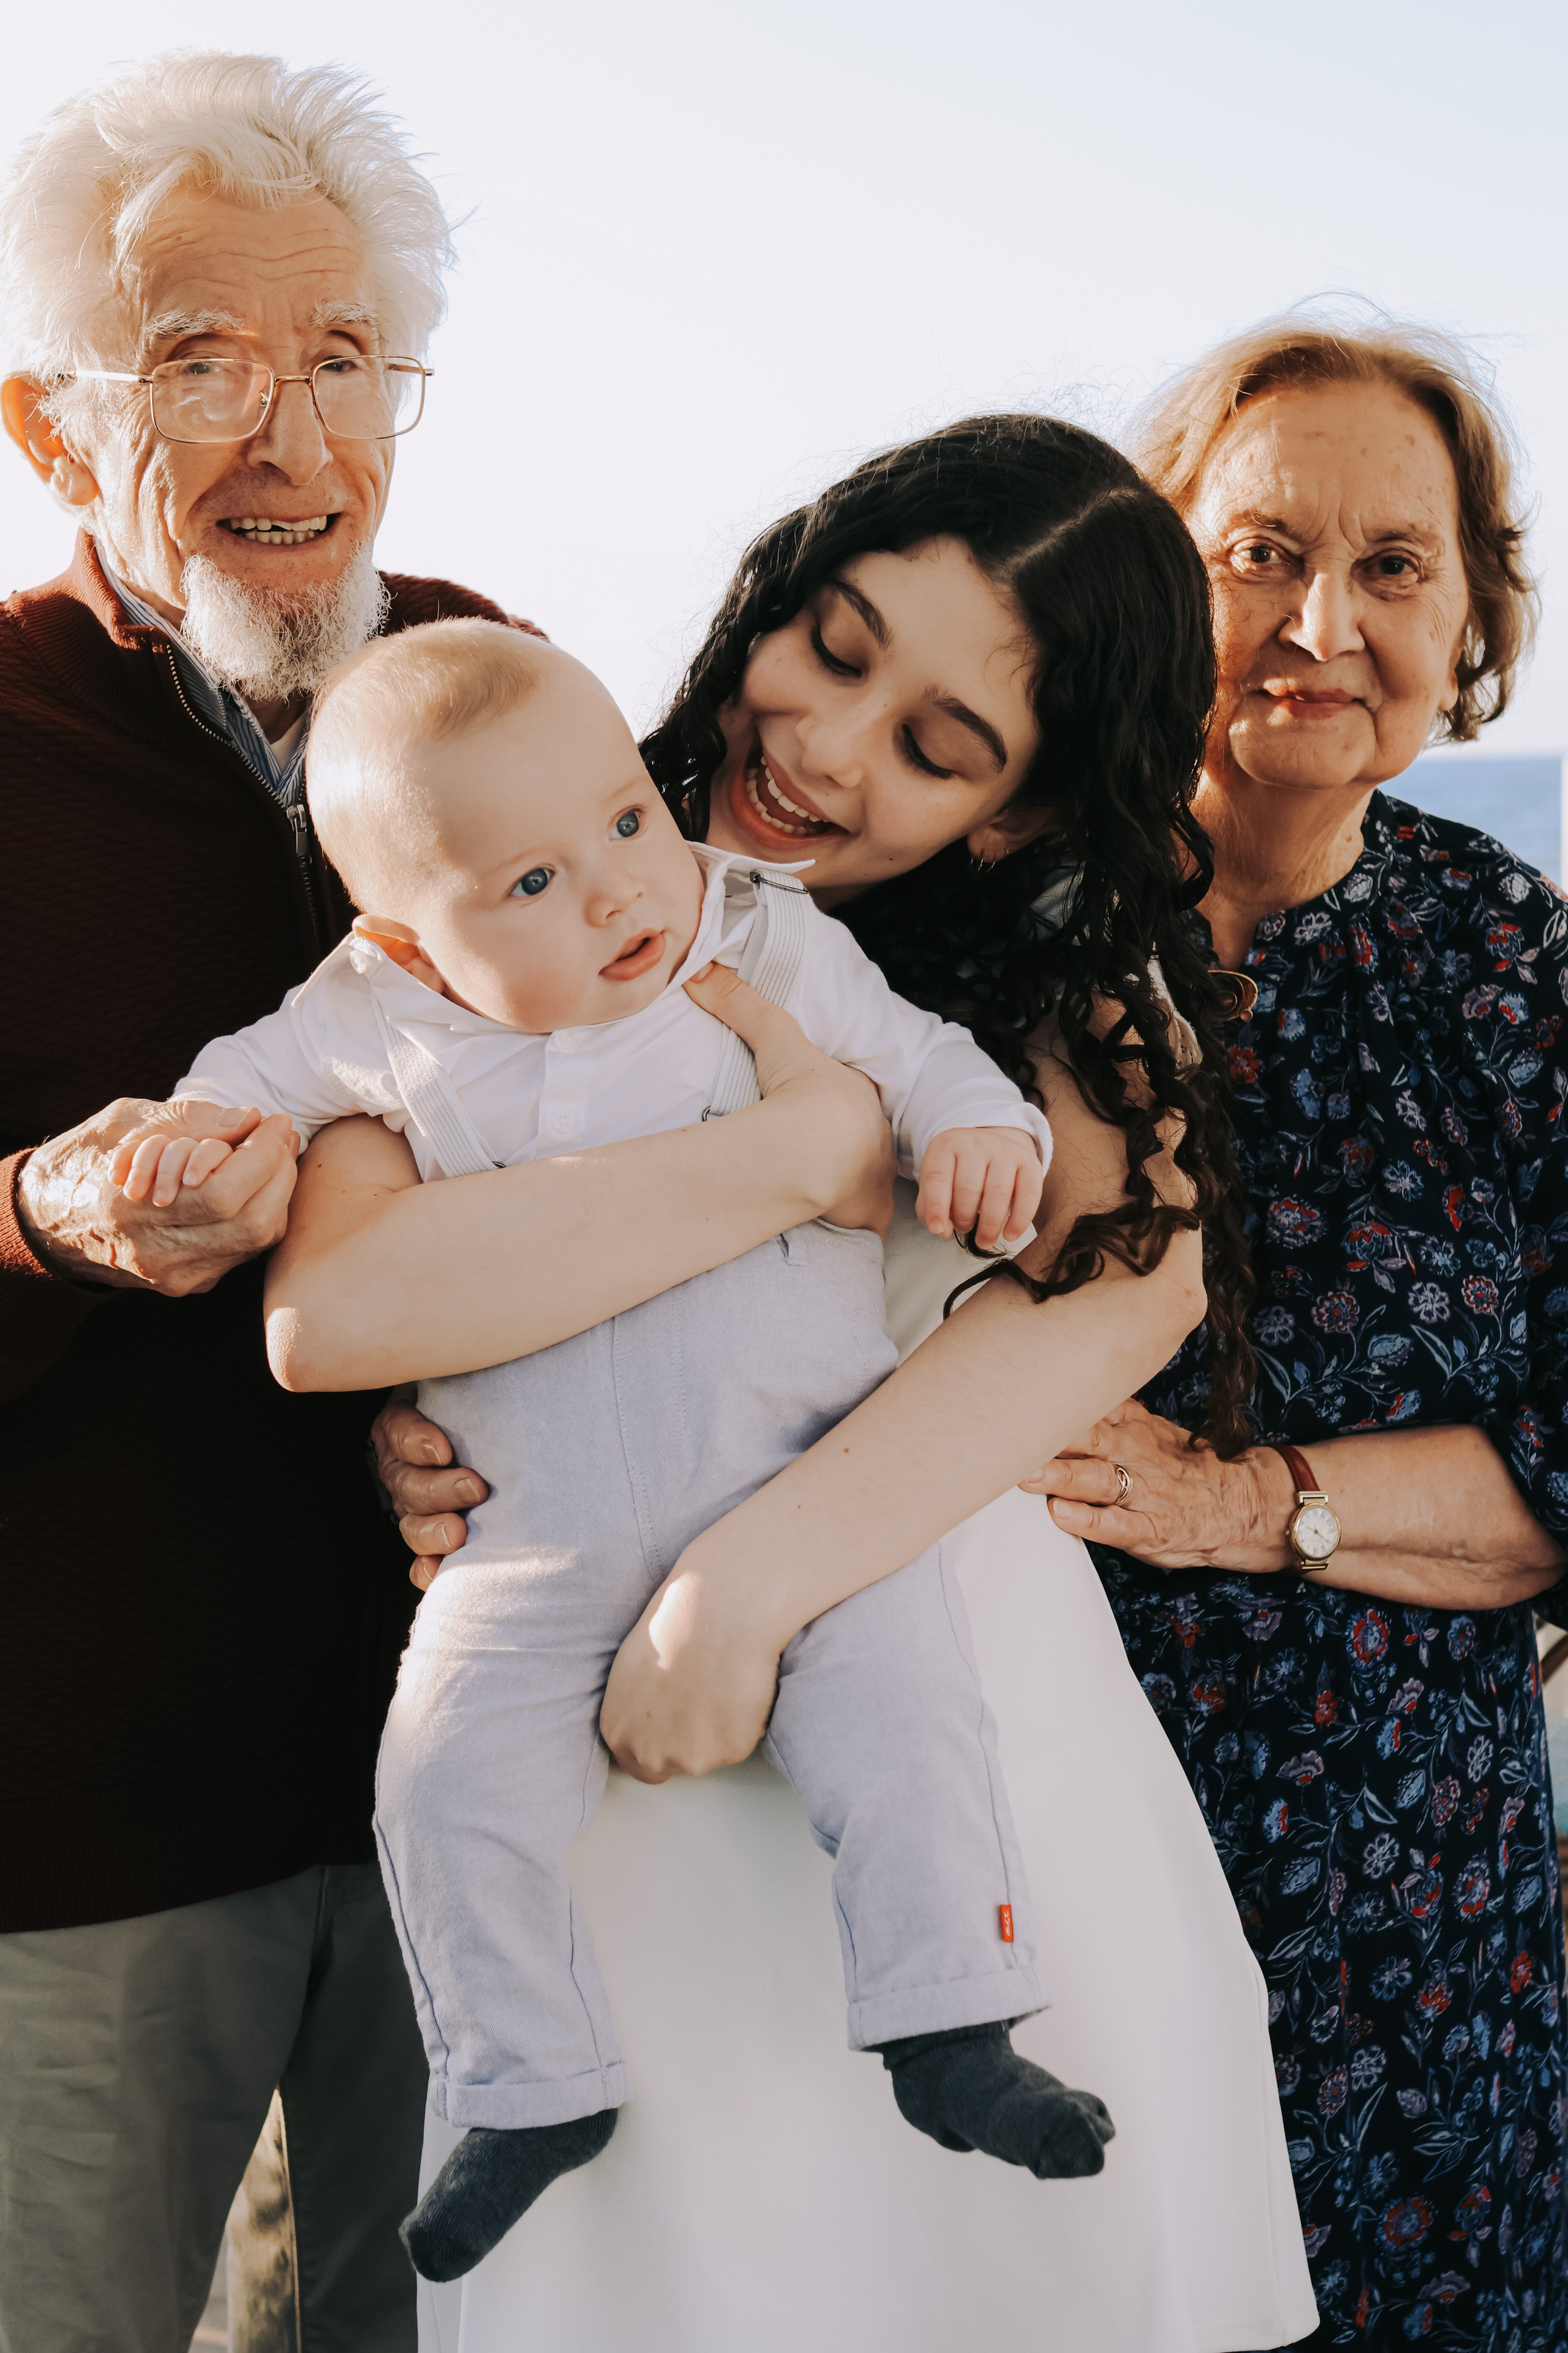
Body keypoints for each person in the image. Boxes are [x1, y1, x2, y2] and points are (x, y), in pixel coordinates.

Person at [274, 417, 1321, 2351]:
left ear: (1016, 809)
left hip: (951, 1740)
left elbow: (1118, 1299)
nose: (829, 745)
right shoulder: (500, 859)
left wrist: (735, 1593)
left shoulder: (1058, 1006)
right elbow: (339, 1303)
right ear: (775, 589)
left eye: (938, 744)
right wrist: (794, 1158)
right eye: (834, 646)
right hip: (614, 1805)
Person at [121, 617, 1109, 2279]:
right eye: (530, 883)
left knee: (910, 1717)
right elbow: (235, 1093)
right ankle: (527, 2084)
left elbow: (921, 1058)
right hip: (537, 1529)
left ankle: (952, 2022)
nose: (615, 892)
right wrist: (183, 1148)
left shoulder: (754, 930)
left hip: (799, 1477)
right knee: (441, 1778)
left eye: (627, 821)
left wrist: (982, 1134)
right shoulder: (371, 1013)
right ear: (407, 940)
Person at [0, 53, 543, 2351]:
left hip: (490, 1795)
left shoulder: (501, 692)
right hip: (87, 1834)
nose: (291, 439)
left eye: (344, 359)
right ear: (51, 430)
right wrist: (43, 1222)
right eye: (199, 364)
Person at [1027, 317, 1567, 2350]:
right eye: (1260, 553)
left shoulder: (1511, 957)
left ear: (1469, 620)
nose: (1322, 626)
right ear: (1151, 574)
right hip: (1023, 1899)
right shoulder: (993, 920)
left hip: (1418, 1954)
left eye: (1394, 566)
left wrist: (1244, 1503)